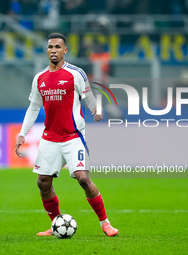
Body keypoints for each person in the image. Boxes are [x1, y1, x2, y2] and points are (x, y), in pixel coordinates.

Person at [15, 33, 118, 237]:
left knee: (82, 179)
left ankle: (105, 223)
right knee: (43, 183)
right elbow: (34, 107)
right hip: (50, 138)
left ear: (65, 50)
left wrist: (96, 109)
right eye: (50, 47)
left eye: (57, 47)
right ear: (47, 50)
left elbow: (87, 96)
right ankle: (56, 225)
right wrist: (22, 134)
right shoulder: (40, 78)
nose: (53, 50)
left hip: (73, 136)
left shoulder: (75, 74)